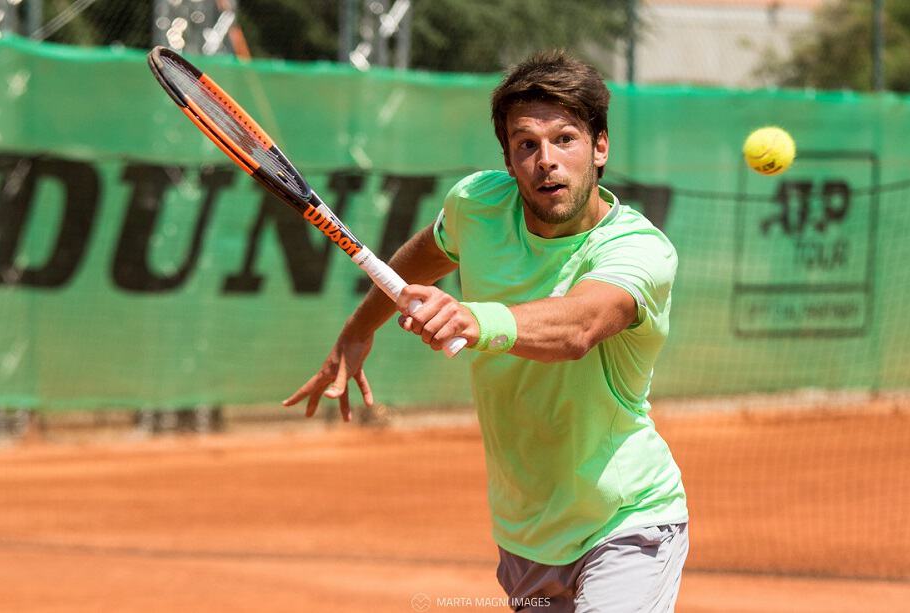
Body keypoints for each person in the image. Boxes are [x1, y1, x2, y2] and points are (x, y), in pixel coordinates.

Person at [283, 50, 688, 612]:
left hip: (627, 520)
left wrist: (477, 319)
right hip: (525, 533)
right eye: (527, 144)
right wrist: (359, 329)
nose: (546, 160)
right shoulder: (477, 204)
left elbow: (580, 325)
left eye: (565, 139)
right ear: (509, 158)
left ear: (600, 147)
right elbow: (426, 252)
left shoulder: (639, 249)